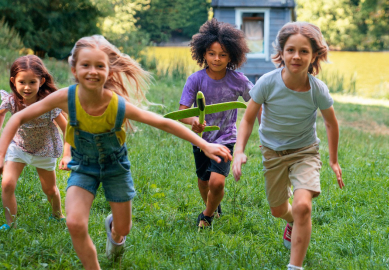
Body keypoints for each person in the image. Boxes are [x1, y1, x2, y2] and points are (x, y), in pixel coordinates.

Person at [0, 35, 232, 270]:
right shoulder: (65, 97)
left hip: (115, 168)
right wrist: (1, 154)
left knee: (124, 228)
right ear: (74, 68)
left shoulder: (116, 103)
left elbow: (162, 123)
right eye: (86, 65)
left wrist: (204, 144)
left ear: (109, 71)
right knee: (75, 223)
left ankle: (114, 230)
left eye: (100, 66)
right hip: (83, 167)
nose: (92, 71)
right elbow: (17, 118)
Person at [232, 22, 344, 270]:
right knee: (278, 209)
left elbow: (331, 124)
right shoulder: (267, 83)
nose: (296, 56)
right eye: (291, 50)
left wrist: (333, 160)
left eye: (304, 51)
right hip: (272, 153)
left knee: (303, 206)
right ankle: (292, 221)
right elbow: (248, 118)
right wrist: (239, 150)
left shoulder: (317, 90)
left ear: (314, 55)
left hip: (305, 152)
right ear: (281, 52)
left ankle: (295, 266)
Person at [177, 18, 253, 228]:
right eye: (211, 53)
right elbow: (182, 113)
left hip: (226, 139)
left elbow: (255, 104)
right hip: (201, 139)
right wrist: (193, 121)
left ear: (232, 56)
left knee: (216, 181)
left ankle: (207, 216)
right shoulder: (195, 80)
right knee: (203, 182)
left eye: (223, 54)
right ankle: (212, 207)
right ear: (203, 53)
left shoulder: (239, 80)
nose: (217, 59)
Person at [0, 55, 67, 231]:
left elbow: (67, 128)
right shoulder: (12, 101)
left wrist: (69, 153)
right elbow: (1, 112)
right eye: (22, 82)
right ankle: (10, 223)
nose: (27, 87)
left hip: (44, 150)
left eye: (32, 82)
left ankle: (57, 215)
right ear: (14, 81)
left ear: (42, 81)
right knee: (7, 184)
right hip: (19, 147)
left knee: (50, 190)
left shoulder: (48, 103)